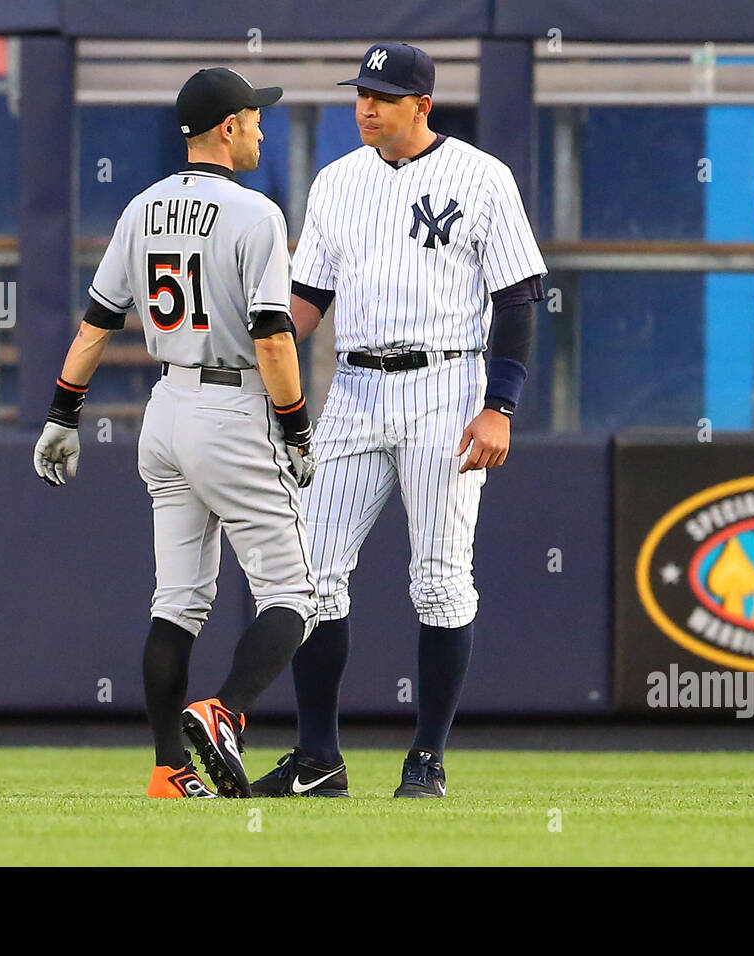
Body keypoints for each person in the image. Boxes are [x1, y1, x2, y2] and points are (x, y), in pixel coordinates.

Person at [251, 43, 547, 798]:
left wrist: (500, 405)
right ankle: (319, 759)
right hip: (355, 386)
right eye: (361, 93)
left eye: (383, 95)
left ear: (423, 104)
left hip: (447, 383)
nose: (366, 106)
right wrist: (263, 348)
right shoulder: (337, 181)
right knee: (309, 577)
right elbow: (309, 296)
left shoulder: (481, 176)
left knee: (441, 582)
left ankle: (427, 759)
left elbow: (518, 297)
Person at [32, 68, 317, 799]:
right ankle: (224, 710)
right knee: (292, 594)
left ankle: (168, 771)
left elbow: (98, 322)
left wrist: (64, 413)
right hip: (231, 405)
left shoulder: (141, 208)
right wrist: (296, 429)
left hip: (165, 411)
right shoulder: (257, 214)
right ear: (226, 126)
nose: (261, 129)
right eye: (254, 118)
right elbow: (274, 338)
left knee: (177, 601)